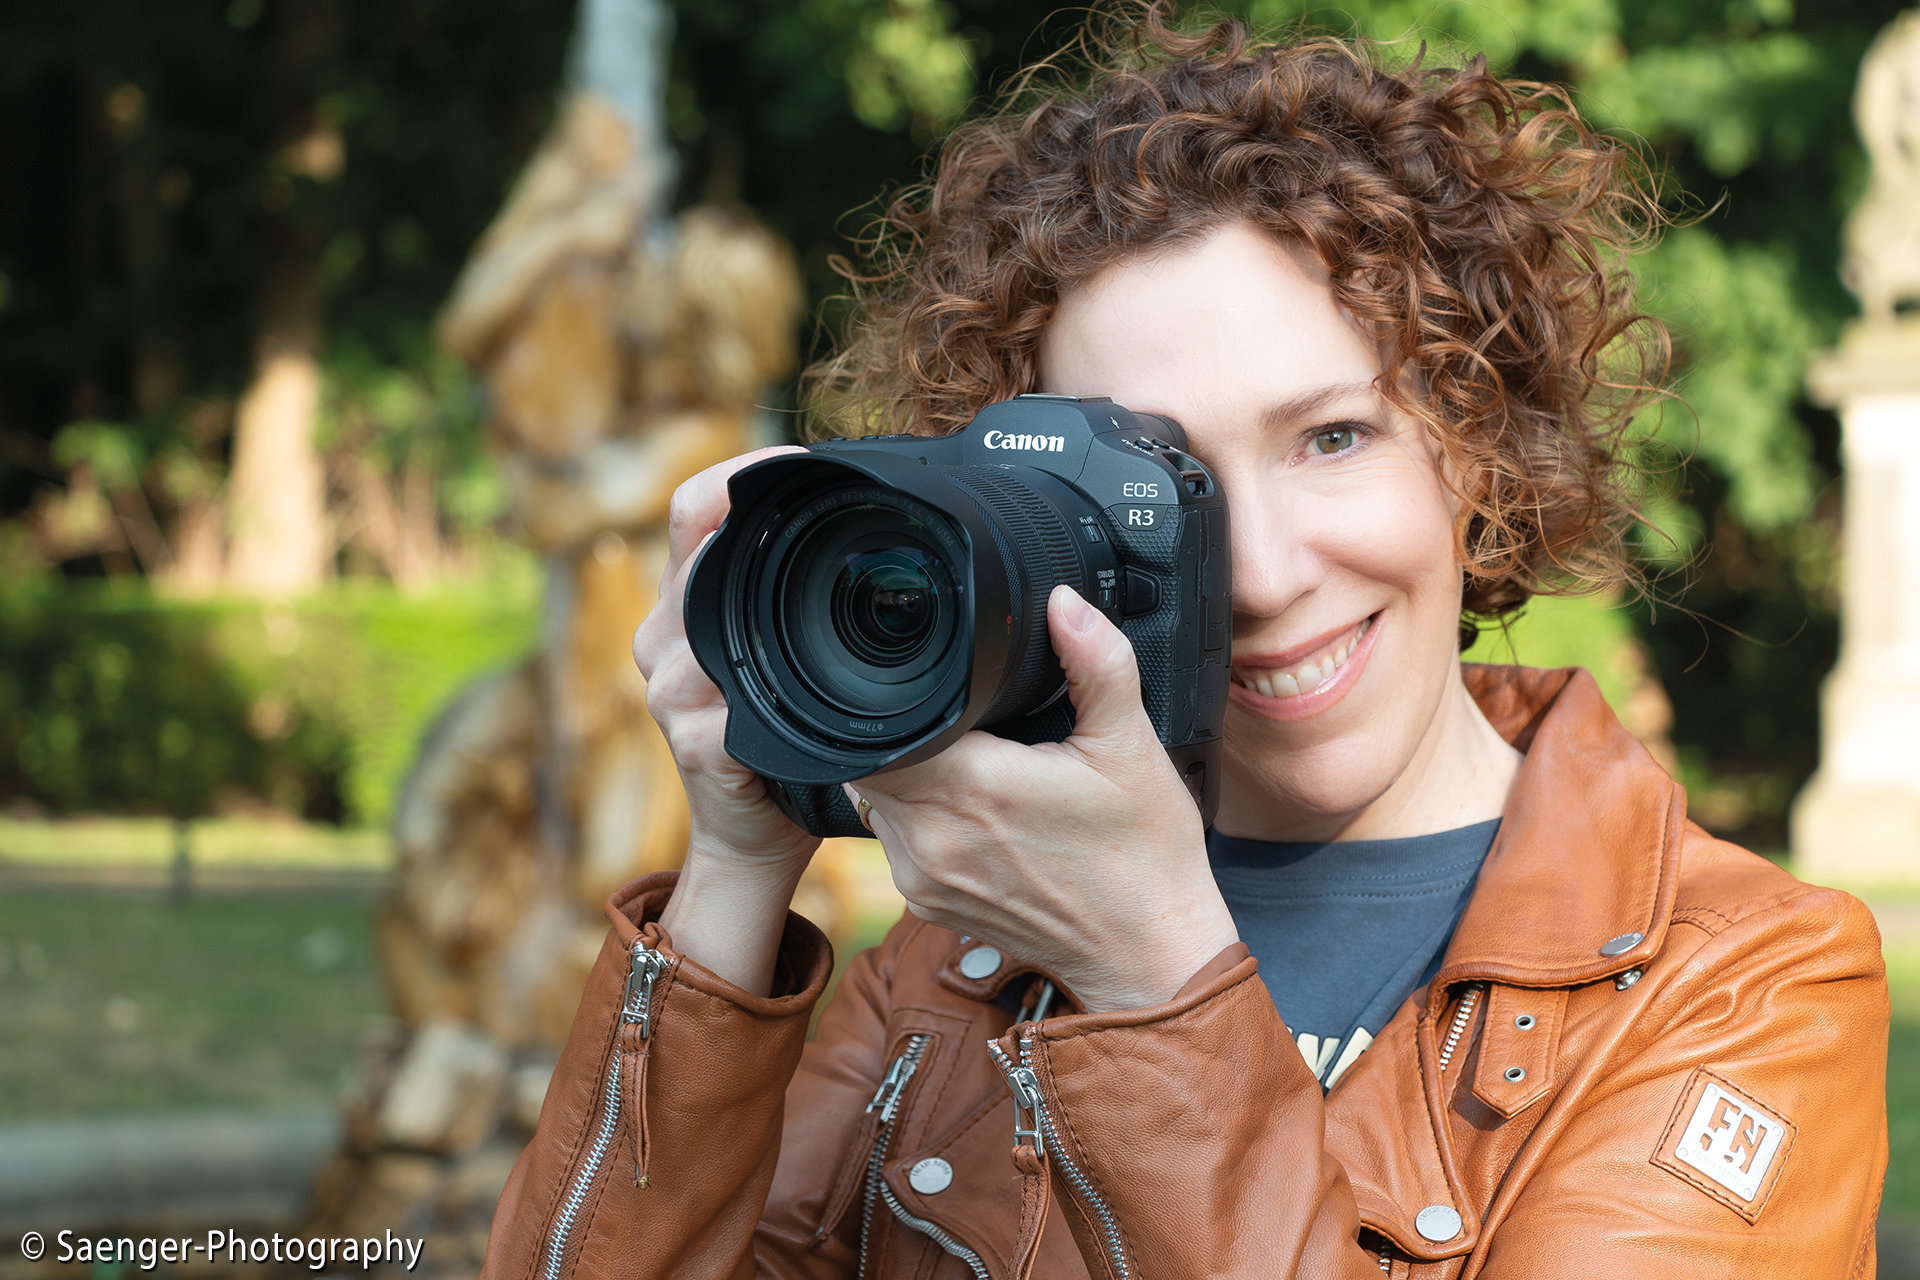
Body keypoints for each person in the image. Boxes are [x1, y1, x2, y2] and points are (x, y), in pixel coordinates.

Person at [479, 10, 1889, 1279]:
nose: (1262, 576)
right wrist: (735, 876)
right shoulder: (964, 952)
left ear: (1475, 440)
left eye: (1331, 437)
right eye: (1163, 490)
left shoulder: (1741, 982)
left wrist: (1149, 968)